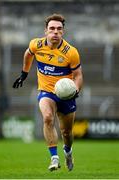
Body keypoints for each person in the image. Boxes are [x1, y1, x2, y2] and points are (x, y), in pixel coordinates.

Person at [13, 13, 83, 171]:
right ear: (46, 31)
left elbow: (78, 76)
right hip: (46, 91)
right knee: (47, 118)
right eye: (52, 29)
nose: (55, 32)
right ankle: (54, 158)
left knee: (67, 132)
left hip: (66, 95)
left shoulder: (71, 52)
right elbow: (28, 54)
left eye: (59, 29)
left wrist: (76, 90)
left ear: (63, 32)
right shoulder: (36, 45)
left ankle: (68, 152)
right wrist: (24, 74)